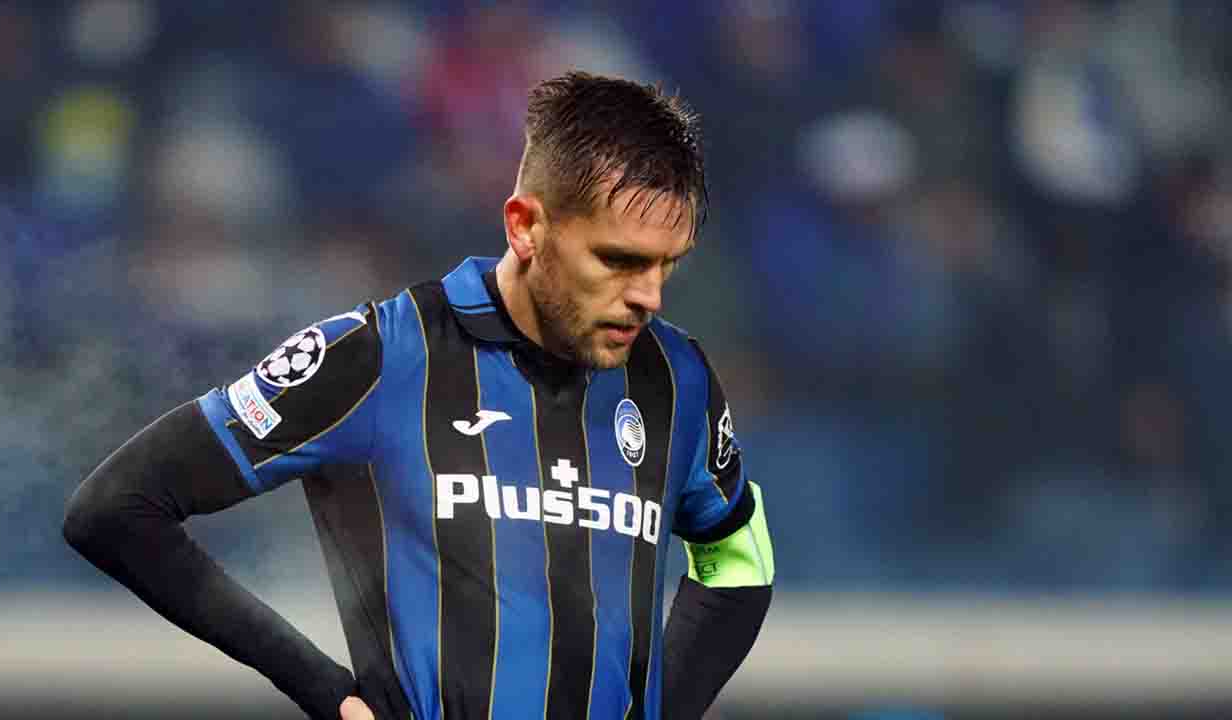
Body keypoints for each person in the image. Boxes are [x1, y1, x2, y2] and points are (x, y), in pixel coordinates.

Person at [63, 71, 774, 720]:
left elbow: (739, 564)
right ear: (526, 226)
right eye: (618, 259)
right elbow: (117, 508)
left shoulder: (677, 379)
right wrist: (322, 689)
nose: (648, 295)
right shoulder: (379, 355)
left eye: (666, 265)